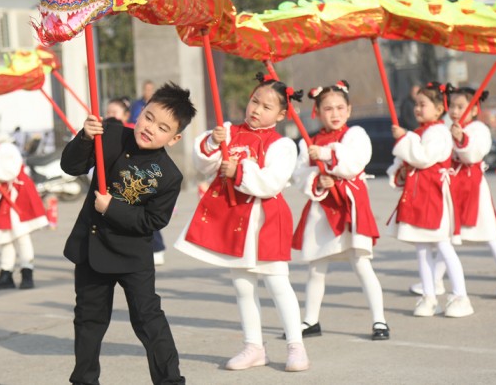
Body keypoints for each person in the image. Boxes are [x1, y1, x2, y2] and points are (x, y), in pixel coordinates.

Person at [61, 82, 195, 385]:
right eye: (149, 117)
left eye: (162, 128)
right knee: (88, 321)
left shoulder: (169, 175)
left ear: (174, 138)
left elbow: (153, 221)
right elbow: (71, 166)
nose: (150, 128)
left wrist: (112, 208)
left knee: (148, 320)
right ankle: (84, 380)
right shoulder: (109, 135)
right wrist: (85, 137)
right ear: (141, 111)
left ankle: (170, 381)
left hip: (133, 256)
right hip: (92, 249)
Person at [175, 73, 310, 372]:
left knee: (277, 283)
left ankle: (296, 346)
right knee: (243, 286)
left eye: (266, 107)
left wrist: (239, 170)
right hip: (234, 219)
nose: (256, 109)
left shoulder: (282, 145)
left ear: (281, 115)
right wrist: (212, 141)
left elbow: (272, 182)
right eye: (254, 101)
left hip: (266, 220)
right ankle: (253, 347)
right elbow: (203, 165)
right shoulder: (228, 131)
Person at [292, 80, 389, 340]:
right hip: (322, 210)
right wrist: (317, 179)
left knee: (361, 264)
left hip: (350, 207)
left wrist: (325, 155)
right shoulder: (309, 142)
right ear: (317, 112)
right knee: (316, 267)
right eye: (327, 109)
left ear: (349, 110)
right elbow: (299, 175)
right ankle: (310, 320)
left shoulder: (355, 135)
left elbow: (354, 163)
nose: (334, 114)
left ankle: (379, 321)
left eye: (339, 108)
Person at [409, 88, 496, 299]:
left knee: (491, 235)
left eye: (461, 107)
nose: (455, 111)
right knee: (448, 237)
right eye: (452, 106)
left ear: (475, 110)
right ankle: (435, 281)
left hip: (474, 189)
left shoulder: (479, 129)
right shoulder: (445, 128)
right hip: (452, 187)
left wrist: (462, 139)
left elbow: (473, 155)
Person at [387, 82, 473, 318]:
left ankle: (461, 296)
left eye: (423, 104)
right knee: (422, 248)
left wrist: (404, 139)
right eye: (416, 104)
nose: (417, 108)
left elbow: (423, 157)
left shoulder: (439, 132)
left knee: (443, 245)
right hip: (418, 196)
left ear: (438, 109)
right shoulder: (419, 133)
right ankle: (429, 297)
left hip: (434, 196)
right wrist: (400, 172)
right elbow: (405, 164)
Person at [0, 127, 47, 290]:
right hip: (4, 199)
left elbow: (9, 171)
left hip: (19, 195)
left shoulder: (6, 148)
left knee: (22, 235)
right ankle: (6, 274)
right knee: (6, 237)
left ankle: (27, 273)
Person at [128, 81, 167, 265]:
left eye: (151, 89)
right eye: (146, 89)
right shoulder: (136, 106)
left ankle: (157, 248)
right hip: (132, 161)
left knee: (147, 211)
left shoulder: (159, 108)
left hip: (149, 165)